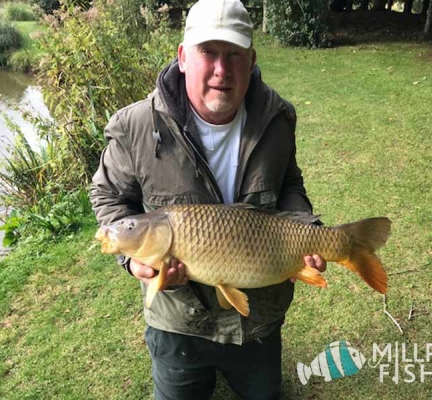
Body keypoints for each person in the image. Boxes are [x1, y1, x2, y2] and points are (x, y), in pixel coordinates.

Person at [90, 0, 327, 398]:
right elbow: (109, 195)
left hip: (258, 317)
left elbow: (289, 183)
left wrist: (308, 230)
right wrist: (132, 261)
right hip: (177, 322)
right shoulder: (134, 126)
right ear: (183, 57)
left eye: (234, 55)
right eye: (208, 53)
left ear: (251, 60)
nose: (222, 70)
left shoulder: (278, 117)